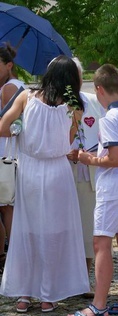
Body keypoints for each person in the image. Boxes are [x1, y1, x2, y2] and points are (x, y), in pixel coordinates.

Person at [0, 56, 90, 312]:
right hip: (57, 171)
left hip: (29, 169)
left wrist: (21, 127)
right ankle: (48, 295)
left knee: (26, 229)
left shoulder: (26, 97)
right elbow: (68, 139)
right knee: (54, 232)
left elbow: (3, 127)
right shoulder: (75, 107)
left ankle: (24, 294)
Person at [66, 64, 118, 316]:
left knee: (101, 244)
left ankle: (99, 305)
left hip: (112, 187)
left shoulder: (109, 118)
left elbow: (114, 158)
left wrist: (88, 158)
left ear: (98, 90)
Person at [67, 58, 105, 294]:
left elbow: (105, 134)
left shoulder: (92, 102)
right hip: (65, 171)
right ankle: (64, 278)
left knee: (88, 224)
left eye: (77, 77)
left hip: (90, 171)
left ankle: (85, 278)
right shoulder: (56, 105)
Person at [0, 42, 23, 271]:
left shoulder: (10, 88)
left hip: (5, 156)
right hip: (8, 155)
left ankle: (12, 259)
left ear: (9, 65)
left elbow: (10, 127)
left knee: (7, 207)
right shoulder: (14, 86)